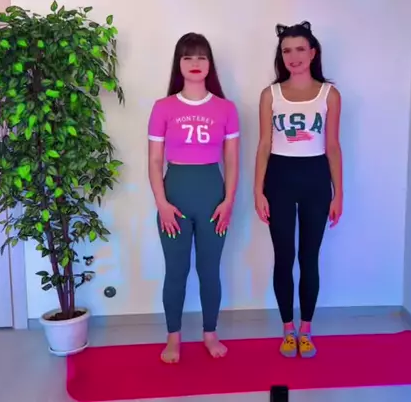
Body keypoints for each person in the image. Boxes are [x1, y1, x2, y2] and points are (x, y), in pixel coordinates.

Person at [147, 32, 240, 363]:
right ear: (179, 63)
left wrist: (228, 201)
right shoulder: (163, 107)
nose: (195, 63)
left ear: (210, 63)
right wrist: (161, 203)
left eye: (201, 56)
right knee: (176, 270)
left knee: (209, 269)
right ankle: (173, 338)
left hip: (213, 196)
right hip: (175, 196)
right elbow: (155, 161)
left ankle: (210, 333)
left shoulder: (226, 108)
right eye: (188, 57)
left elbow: (232, 160)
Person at [254, 21, 343, 358]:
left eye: (300, 49)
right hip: (279, 178)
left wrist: (339, 193)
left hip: (316, 179)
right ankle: (287, 329)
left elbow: (332, 146)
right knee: (284, 256)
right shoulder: (270, 95)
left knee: (309, 257)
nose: (294, 56)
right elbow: (264, 145)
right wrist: (258, 190)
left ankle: (306, 329)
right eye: (287, 50)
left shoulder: (329, 95)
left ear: (313, 53)